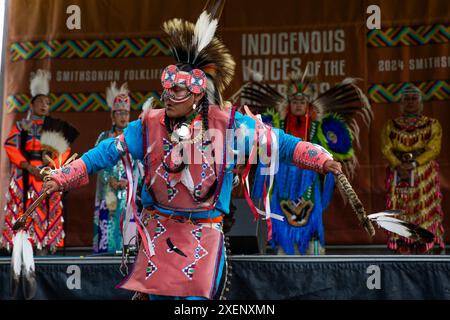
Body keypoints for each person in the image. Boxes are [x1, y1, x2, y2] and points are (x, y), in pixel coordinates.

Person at [42, 2, 342, 300]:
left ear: (197, 94)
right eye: (167, 90)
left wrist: (322, 160)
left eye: (177, 91)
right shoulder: (148, 126)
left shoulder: (230, 127)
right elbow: (107, 151)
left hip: (203, 235)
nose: (168, 97)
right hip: (158, 233)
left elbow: (281, 144)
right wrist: (63, 176)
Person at [244, 71, 372, 255]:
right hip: (282, 182)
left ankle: (312, 258)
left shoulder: (319, 129)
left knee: (310, 229)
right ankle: (284, 259)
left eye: (302, 102)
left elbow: (335, 152)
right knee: (282, 229)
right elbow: (262, 150)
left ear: (308, 105)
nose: (298, 105)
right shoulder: (274, 126)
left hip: (308, 183)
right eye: (295, 102)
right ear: (289, 104)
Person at [2, 70, 76, 254]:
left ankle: (46, 247)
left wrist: (51, 165)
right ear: (32, 104)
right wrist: (27, 166)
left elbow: (65, 150)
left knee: (48, 213)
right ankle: (20, 246)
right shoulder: (21, 126)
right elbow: (10, 146)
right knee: (23, 212)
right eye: (41, 102)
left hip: (47, 176)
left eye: (47, 103)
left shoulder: (55, 126)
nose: (44, 105)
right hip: (25, 177)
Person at [381, 84, 444, 254]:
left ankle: (424, 243)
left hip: (423, 174)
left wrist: (414, 164)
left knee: (422, 208)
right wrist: (399, 164)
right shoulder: (391, 125)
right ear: (401, 103)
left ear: (421, 103)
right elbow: (386, 147)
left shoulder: (432, 124)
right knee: (401, 207)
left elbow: (434, 148)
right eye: (406, 99)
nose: (410, 102)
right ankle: (402, 243)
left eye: (414, 99)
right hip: (398, 172)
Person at [93, 82, 142, 254]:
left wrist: (131, 181)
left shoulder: (135, 138)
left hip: (129, 192)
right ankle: (104, 259)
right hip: (108, 192)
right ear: (112, 116)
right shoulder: (104, 137)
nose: (123, 116)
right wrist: (109, 179)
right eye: (119, 113)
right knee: (108, 227)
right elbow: (97, 162)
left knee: (128, 226)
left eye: (126, 113)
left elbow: (140, 164)